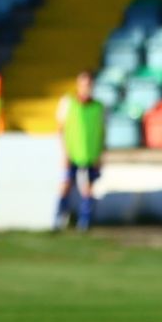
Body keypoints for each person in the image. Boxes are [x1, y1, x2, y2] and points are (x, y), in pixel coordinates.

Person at [55, 70, 104, 232]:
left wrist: (100, 155)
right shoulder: (68, 103)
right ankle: (59, 219)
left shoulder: (98, 107)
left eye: (89, 84)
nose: (86, 87)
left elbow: (101, 132)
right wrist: (65, 152)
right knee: (66, 184)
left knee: (88, 188)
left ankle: (85, 223)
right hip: (72, 154)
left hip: (90, 155)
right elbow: (60, 129)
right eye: (83, 84)